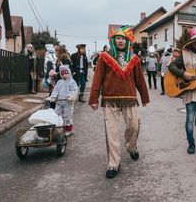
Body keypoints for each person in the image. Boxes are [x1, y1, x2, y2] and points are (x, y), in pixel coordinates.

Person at [89, 25, 149, 179]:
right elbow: (97, 79)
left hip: (129, 98)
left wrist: (145, 97)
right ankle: (113, 164)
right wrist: (94, 99)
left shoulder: (134, 58)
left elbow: (139, 80)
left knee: (134, 125)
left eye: (123, 38)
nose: (120, 41)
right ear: (113, 41)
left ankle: (131, 146)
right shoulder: (104, 57)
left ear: (127, 40)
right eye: (117, 38)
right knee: (112, 132)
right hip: (110, 100)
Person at [49, 65, 79, 136]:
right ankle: (58, 128)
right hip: (59, 102)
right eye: (62, 74)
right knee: (56, 114)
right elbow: (55, 90)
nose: (64, 75)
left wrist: (71, 97)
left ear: (69, 73)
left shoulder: (72, 82)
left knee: (68, 116)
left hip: (68, 102)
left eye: (66, 73)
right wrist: (53, 97)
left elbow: (74, 90)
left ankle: (68, 130)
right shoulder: (59, 82)